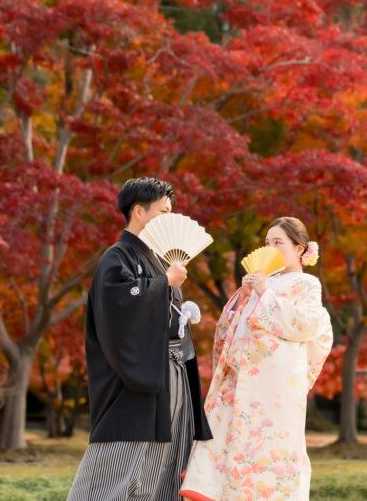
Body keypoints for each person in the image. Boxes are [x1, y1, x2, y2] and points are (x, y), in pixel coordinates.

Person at [67, 177, 213, 501]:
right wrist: (163, 284)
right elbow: (119, 309)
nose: (171, 219)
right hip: (135, 382)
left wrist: (180, 312)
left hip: (172, 374)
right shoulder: (115, 259)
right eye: (164, 211)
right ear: (138, 211)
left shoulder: (160, 260)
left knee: (166, 463)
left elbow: (163, 315)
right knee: (121, 465)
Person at [180, 216, 333, 501]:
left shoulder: (307, 285)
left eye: (279, 242)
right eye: (267, 243)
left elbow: (307, 325)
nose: (272, 248)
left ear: (300, 248)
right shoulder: (264, 280)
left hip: (272, 388)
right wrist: (242, 297)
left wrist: (265, 294)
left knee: (267, 451)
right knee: (220, 443)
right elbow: (230, 327)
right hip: (238, 379)